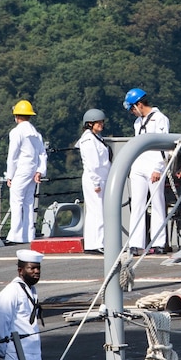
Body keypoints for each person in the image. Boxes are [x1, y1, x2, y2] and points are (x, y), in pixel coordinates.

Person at [124, 87, 171, 255]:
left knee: (157, 204)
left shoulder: (160, 119)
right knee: (137, 204)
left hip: (154, 165)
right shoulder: (138, 123)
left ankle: (159, 241)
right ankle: (136, 243)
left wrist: (159, 167)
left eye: (132, 108)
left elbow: (164, 144)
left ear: (138, 104)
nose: (132, 112)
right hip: (139, 165)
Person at [4, 100, 47, 245]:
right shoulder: (36, 134)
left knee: (16, 200)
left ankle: (15, 235)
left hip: (22, 168)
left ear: (16, 116)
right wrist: (40, 171)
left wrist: (10, 175)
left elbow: (13, 156)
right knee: (28, 202)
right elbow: (42, 154)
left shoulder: (16, 132)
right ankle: (29, 234)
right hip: (33, 168)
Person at [76, 108, 110, 254]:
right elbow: (93, 164)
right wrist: (96, 183)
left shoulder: (96, 138)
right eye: (98, 122)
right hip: (94, 179)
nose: (101, 124)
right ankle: (97, 243)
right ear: (89, 124)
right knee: (97, 212)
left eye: (101, 122)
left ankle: (93, 243)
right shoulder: (89, 140)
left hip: (100, 178)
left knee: (95, 211)